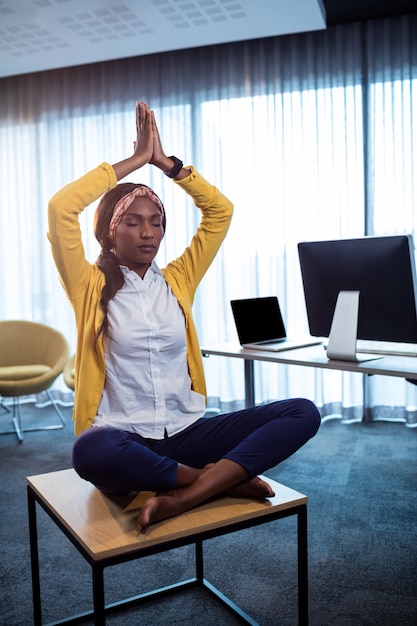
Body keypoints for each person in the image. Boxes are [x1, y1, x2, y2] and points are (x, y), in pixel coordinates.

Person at [48, 101, 320, 533]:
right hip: (127, 441)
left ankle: (188, 493)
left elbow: (221, 212)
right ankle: (218, 482)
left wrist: (169, 166)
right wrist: (135, 162)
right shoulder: (88, 286)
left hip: (189, 435)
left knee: (303, 412)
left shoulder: (178, 280)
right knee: (89, 450)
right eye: (133, 222)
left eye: (156, 222)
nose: (148, 232)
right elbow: (61, 207)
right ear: (109, 231)